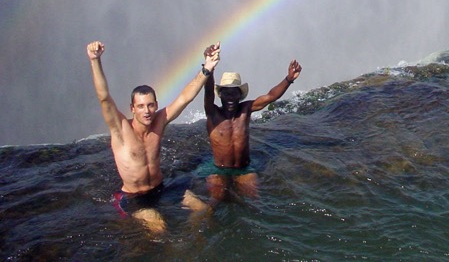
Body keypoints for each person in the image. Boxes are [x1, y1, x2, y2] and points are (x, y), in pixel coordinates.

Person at [86, 40, 220, 234]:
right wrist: (95, 60)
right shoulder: (121, 128)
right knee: (159, 227)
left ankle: (195, 246)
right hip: (133, 197)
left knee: (203, 210)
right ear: (132, 109)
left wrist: (206, 68)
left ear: (156, 105)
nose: (146, 111)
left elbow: (185, 97)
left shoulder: (160, 121)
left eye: (150, 105)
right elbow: (104, 98)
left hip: (161, 188)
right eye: (140, 106)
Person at [201, 52, 302, 201]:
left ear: (239, 96)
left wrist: (288, 79)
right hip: (219, 170)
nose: (230, 98)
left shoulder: (245, 110)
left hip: (244, 169)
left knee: (252, 202)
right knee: (215, 202)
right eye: (226, 93)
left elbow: (270, 97)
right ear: (220, 95)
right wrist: (209, 68)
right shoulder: (212, 112)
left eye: (234, 93)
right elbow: (208, 91)